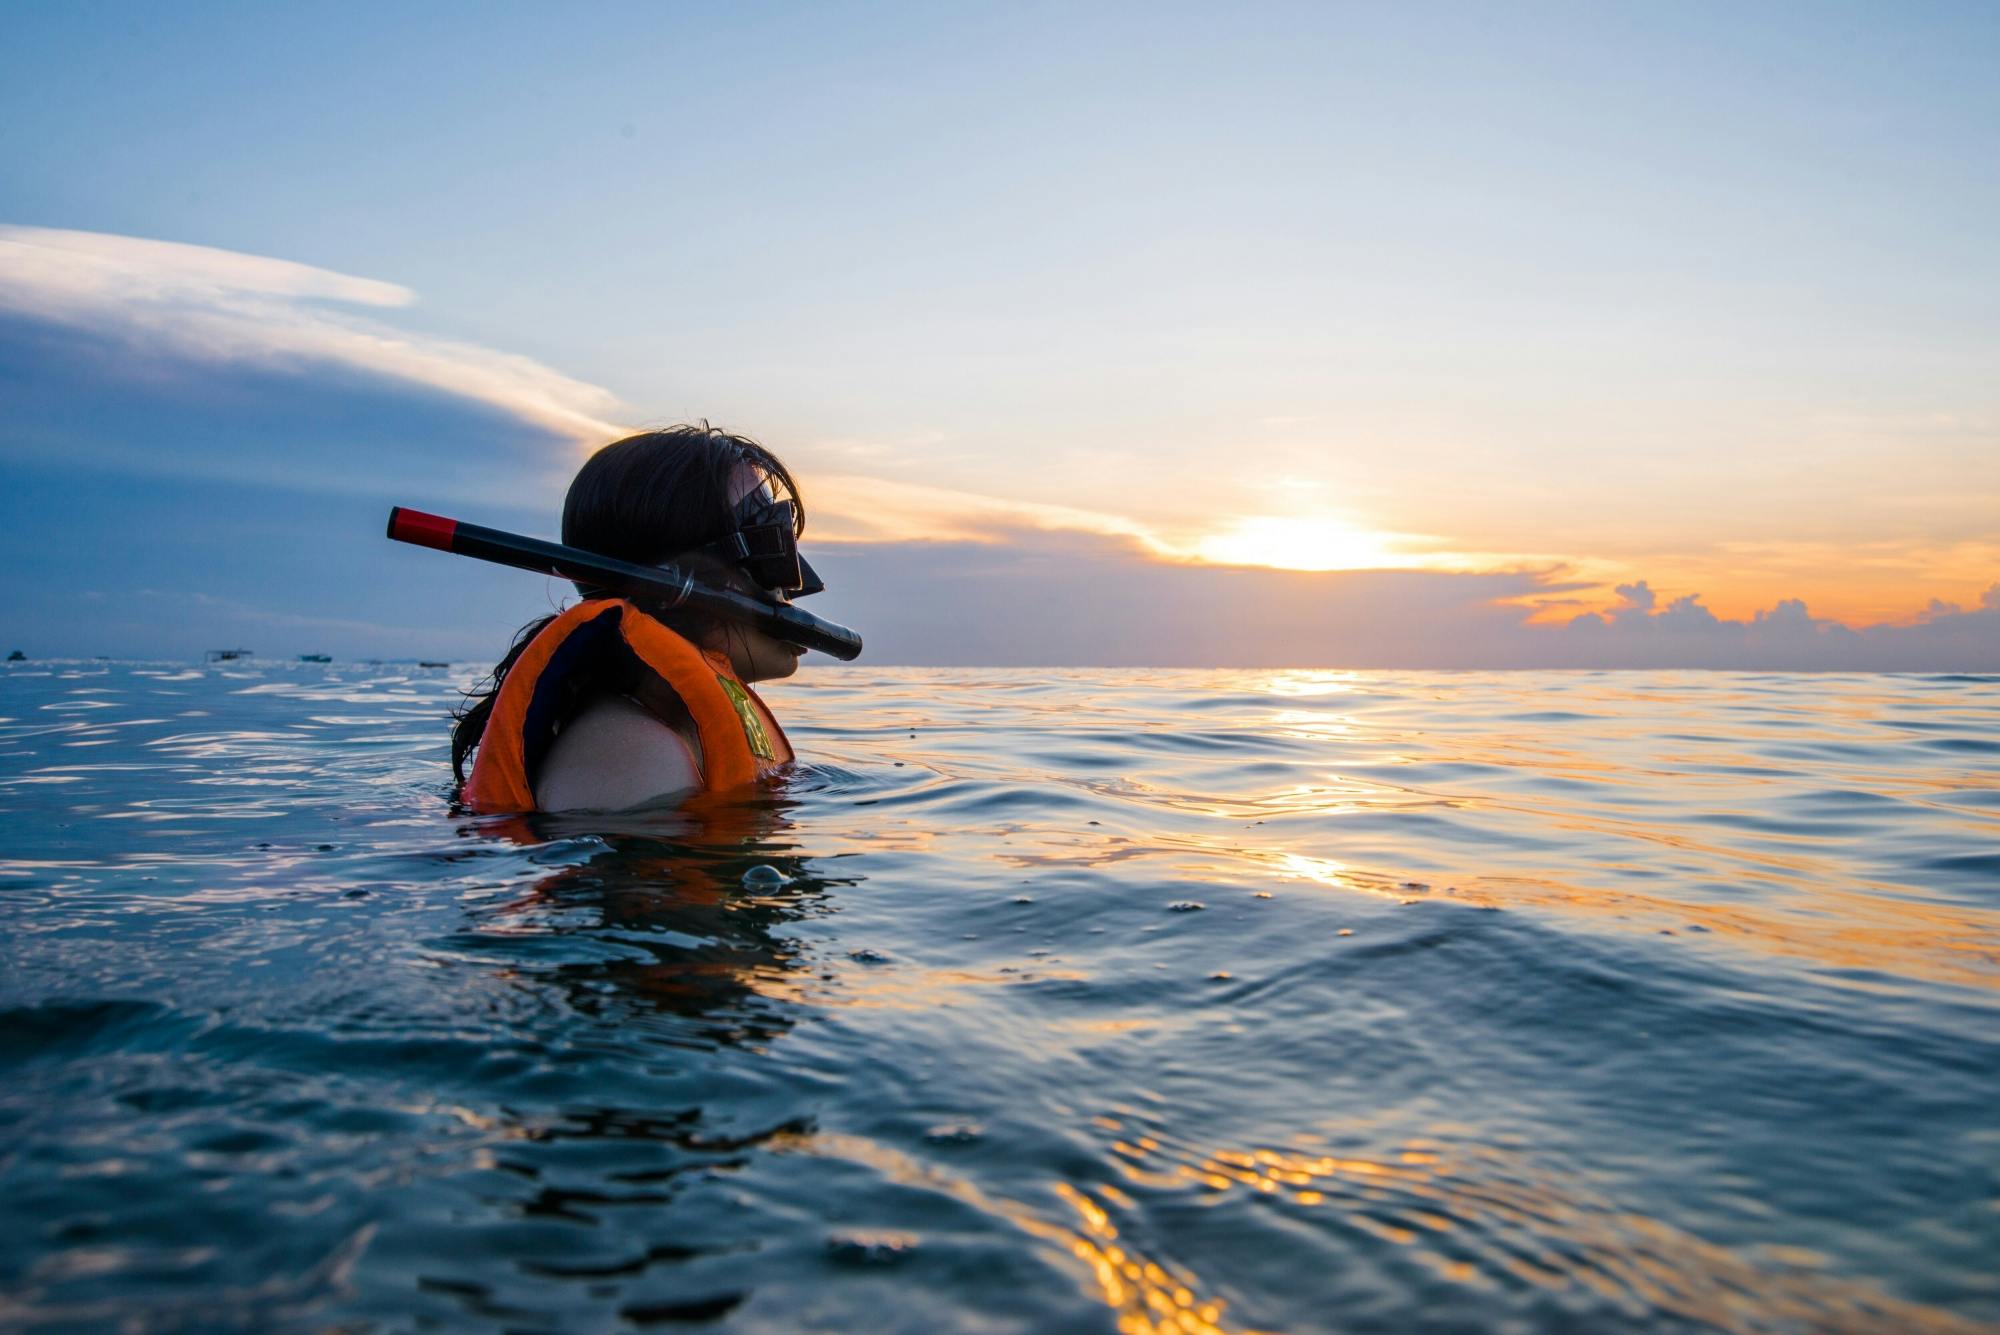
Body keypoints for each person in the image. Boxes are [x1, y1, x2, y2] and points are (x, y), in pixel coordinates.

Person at [452, 425, 821, 813]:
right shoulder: (633, 761)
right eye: (769, 543)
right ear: (679, 586)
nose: (793, 586)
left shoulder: (669, 736)